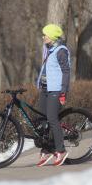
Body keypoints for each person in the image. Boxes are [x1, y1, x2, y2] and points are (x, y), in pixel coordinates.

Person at [36, 24, 71, 167]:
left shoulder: (61, 51)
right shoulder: (49, 50)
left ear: (52, 36)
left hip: (56, 90)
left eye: (45, 35)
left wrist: (63, 91)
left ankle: (61, 150)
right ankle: (48, 148)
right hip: (45, 89)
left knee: (52, 118)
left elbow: (66, 72)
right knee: (42, 119)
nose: (43, 37)